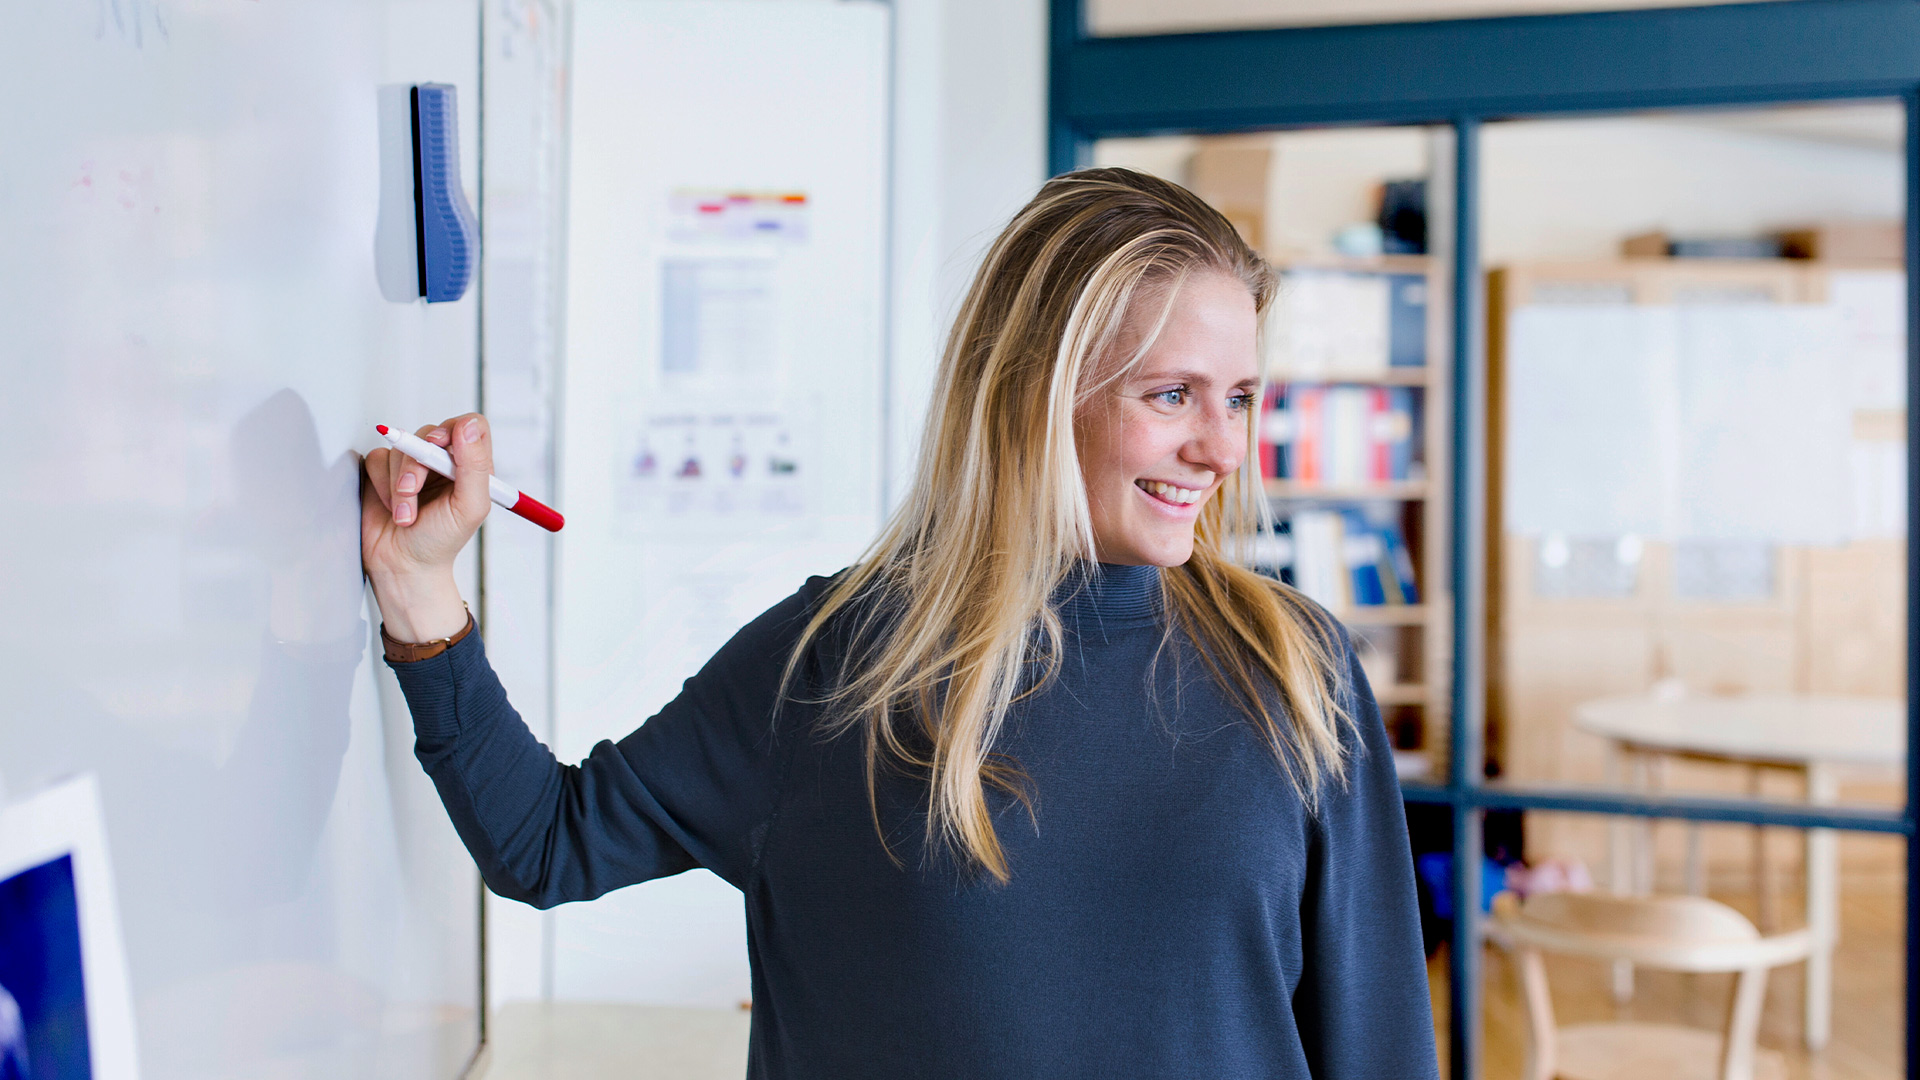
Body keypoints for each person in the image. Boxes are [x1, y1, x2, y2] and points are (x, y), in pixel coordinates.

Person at [361, 167, 1438, 1079]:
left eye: (1239, 397)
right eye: (1171, 397)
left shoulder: (1294, 668)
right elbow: (546, 843)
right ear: (1033, 392)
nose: (1223, 448)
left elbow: (1376, 1044)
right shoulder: (838, 658)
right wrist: (418, 591)